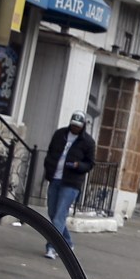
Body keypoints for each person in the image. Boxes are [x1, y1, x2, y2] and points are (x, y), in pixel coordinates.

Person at [41, 111, 96, 259]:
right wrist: (48, 166)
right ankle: (67, 242)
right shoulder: (60, 134)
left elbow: (90, 164)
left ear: (83, 126)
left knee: (60, 216)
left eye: (78, 126)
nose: (75, 128)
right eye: (73, 125)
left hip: (71, 183)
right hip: (55, 178)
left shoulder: (87, 142)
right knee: (53, 213)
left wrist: (78, 165)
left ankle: (52, 247)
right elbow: (51, 152)